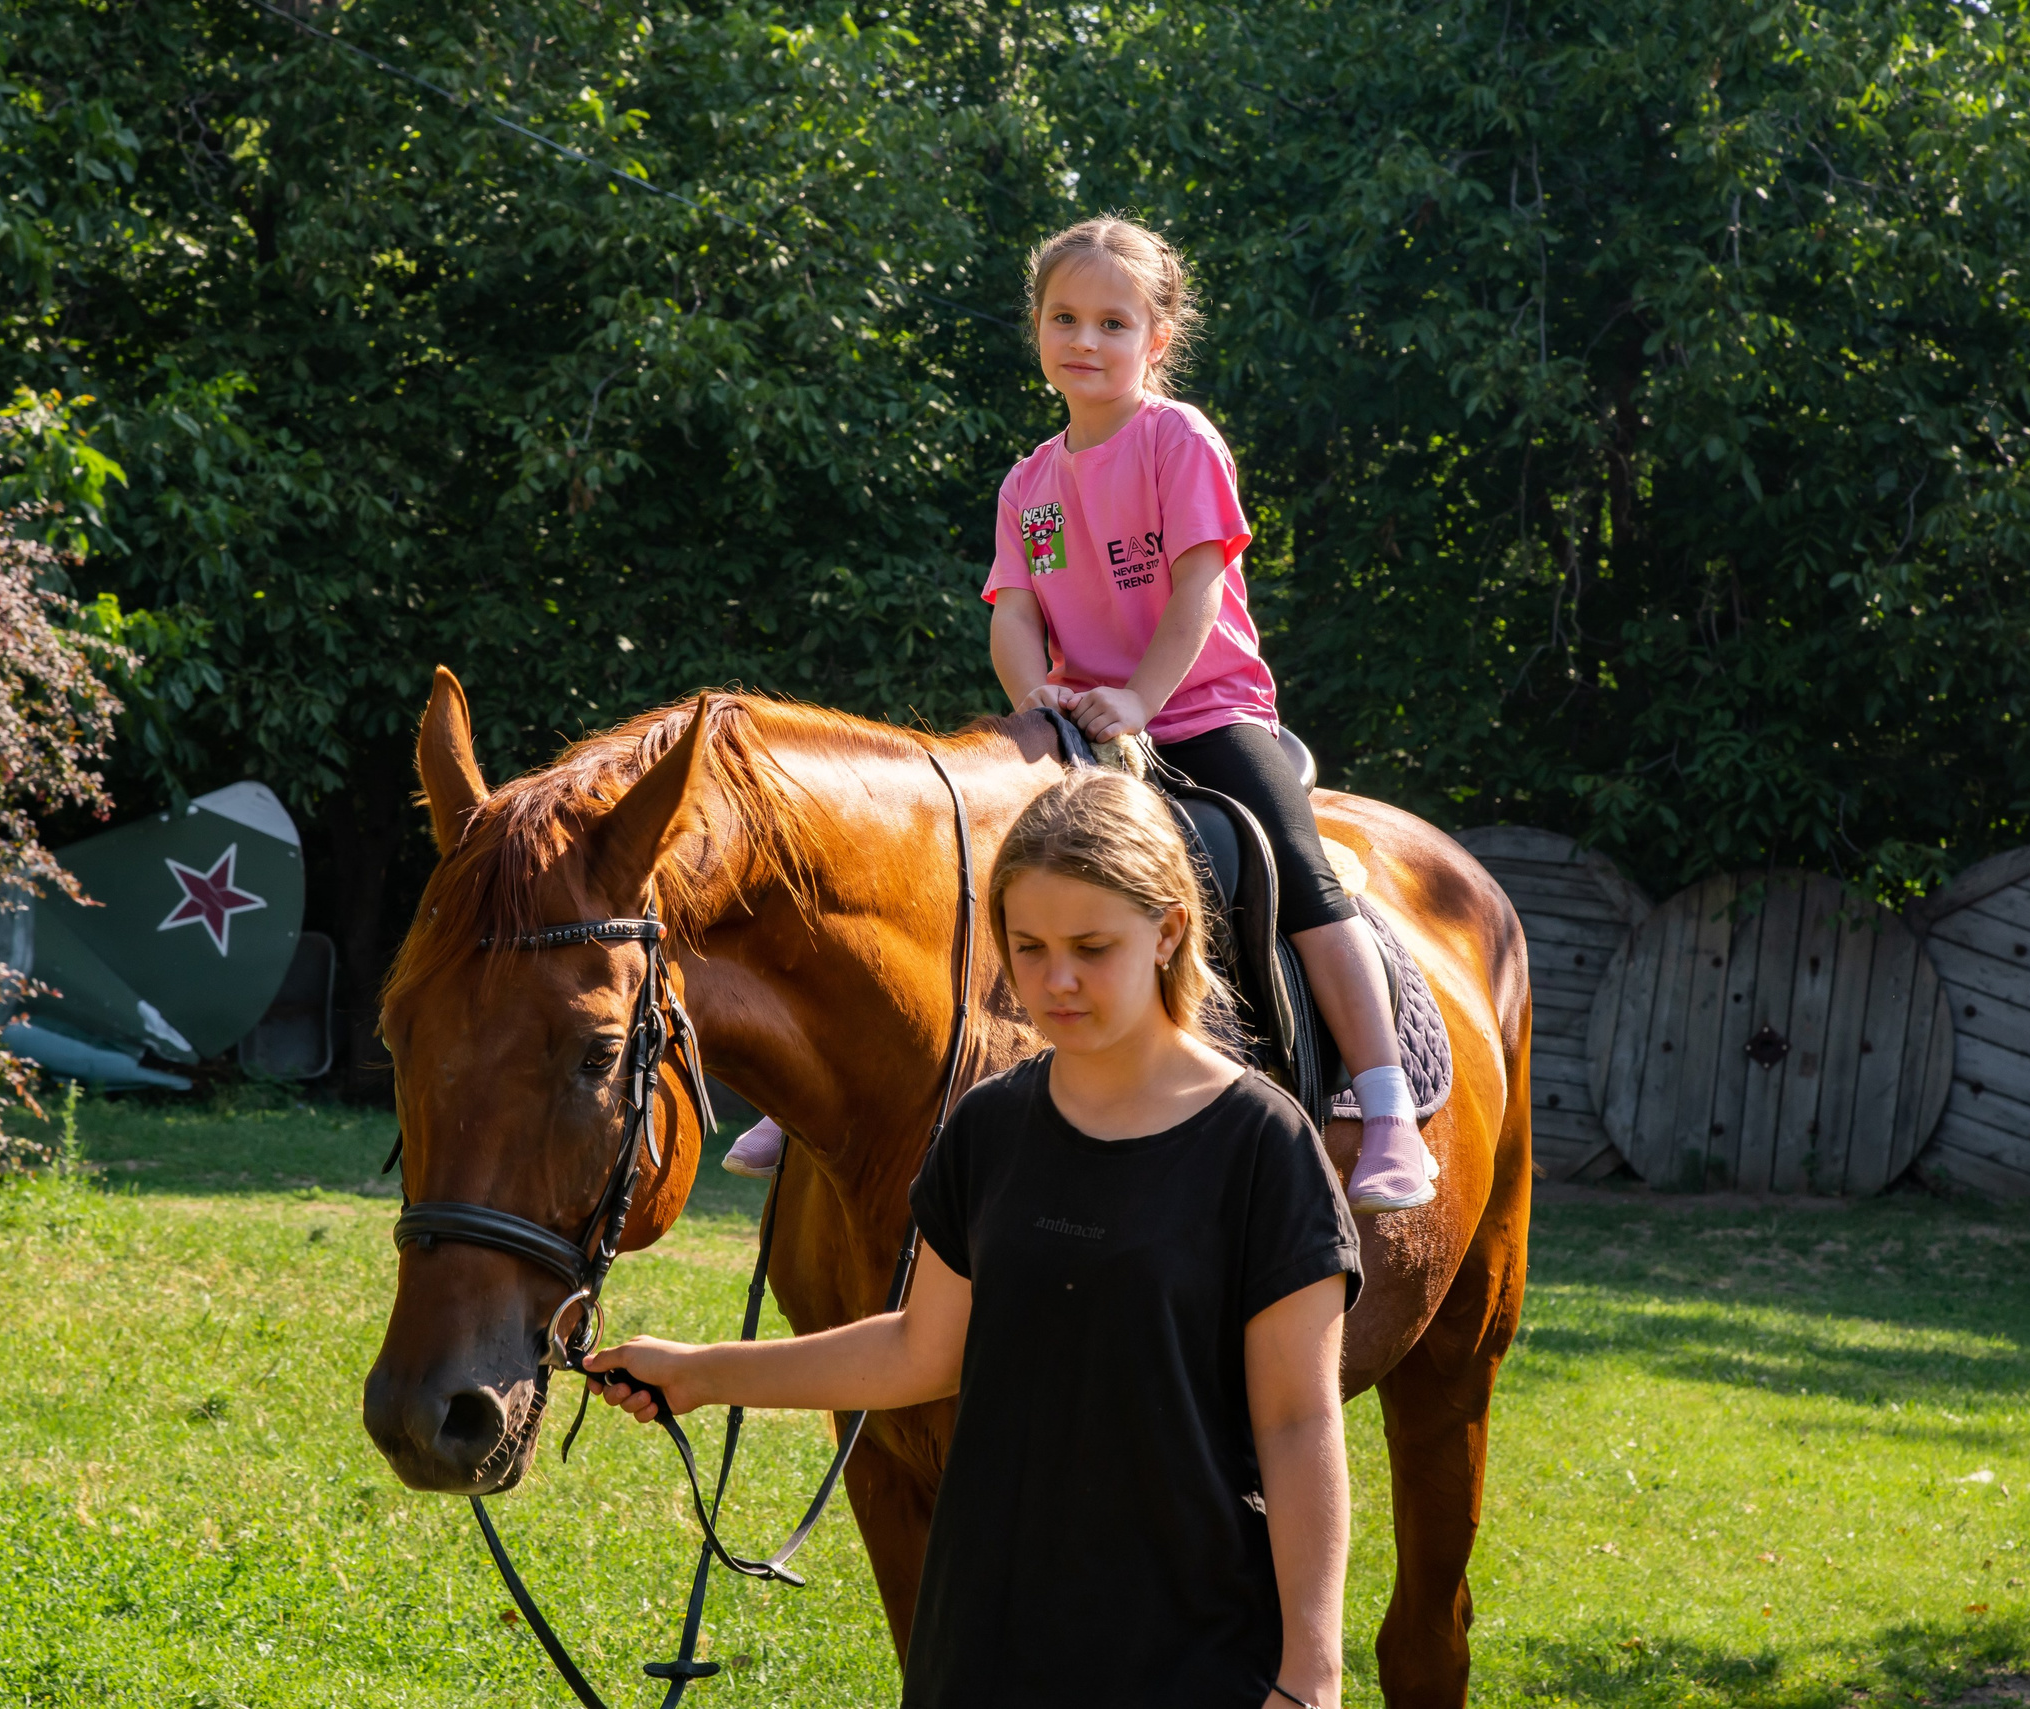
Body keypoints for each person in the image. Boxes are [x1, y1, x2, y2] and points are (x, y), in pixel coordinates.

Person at [590, 770, 1360, 1709]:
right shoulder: (989, 1127)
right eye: (1028, 947)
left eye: (1092, 947)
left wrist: (1311, 1671)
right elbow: (920, 1348)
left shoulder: (1263, 1146)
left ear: (1167, 931)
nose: (1056, 980)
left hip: (1194, 1651)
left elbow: (1298, 1421)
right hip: (983, 1642)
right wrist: (699, 1372)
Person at [730, 214, 1434, 1214]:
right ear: (1037, 329)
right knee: (952, 866)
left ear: (1156, 338)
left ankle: (1386, 1102)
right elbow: (1014, 613)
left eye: (1113, 322)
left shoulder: (1176, 439)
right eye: (1063, 318)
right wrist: (1035, 699)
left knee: (1298, 871)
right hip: (1075, 728)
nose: (1085, 340)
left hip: (1201, 710)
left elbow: (1197, 589)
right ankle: (815, 1091)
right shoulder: (1030, 482)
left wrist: (1140, 699)